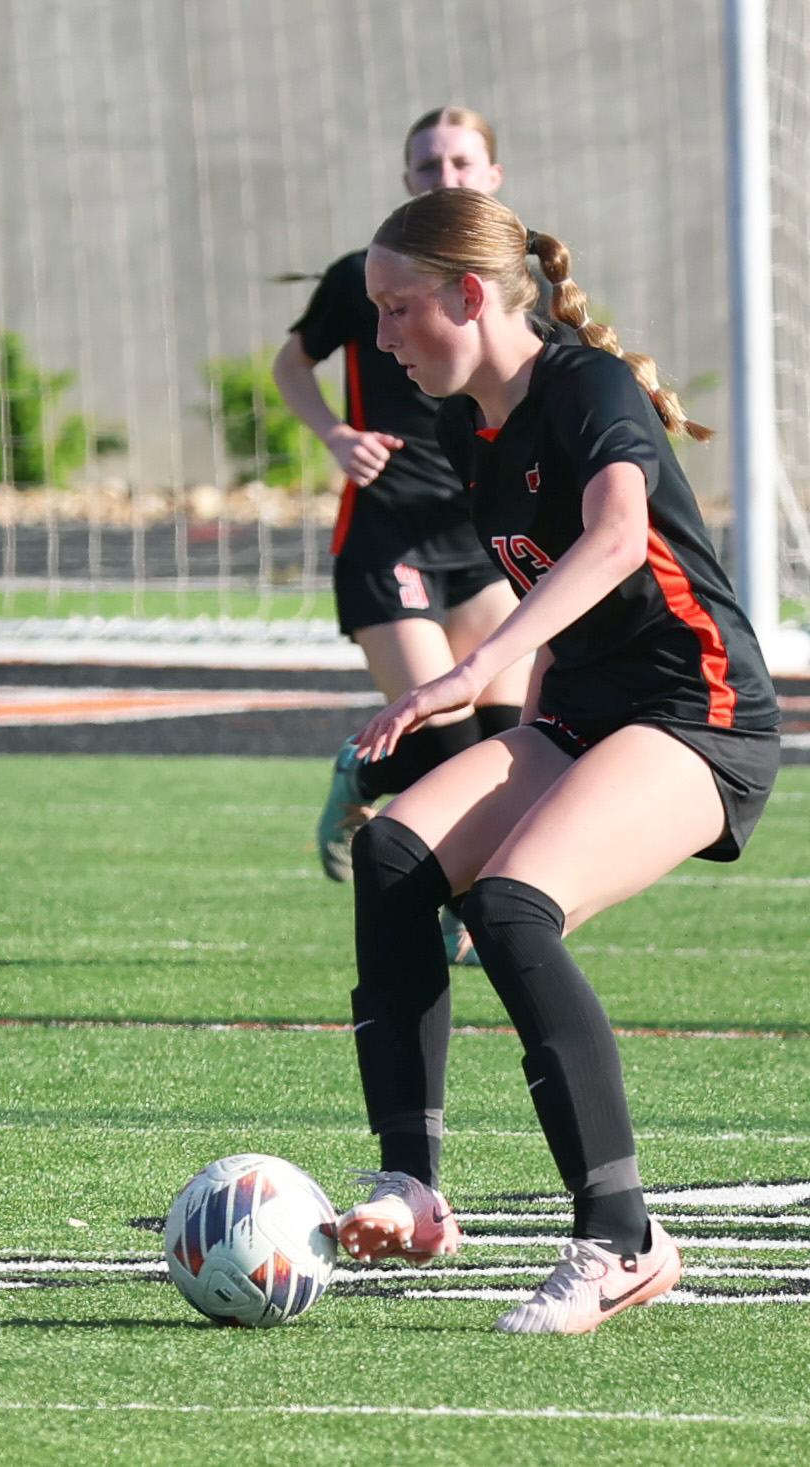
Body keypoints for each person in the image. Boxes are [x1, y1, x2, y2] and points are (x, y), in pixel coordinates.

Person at [330, 188, 779, 1334]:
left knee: (512, 908)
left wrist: (470, 674)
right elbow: (548, 591)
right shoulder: (466, 429)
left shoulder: (586, 385)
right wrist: (521, 717)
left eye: (396, 307)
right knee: (394, 854)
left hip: (700, 713)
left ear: (470, 297)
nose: (380, 335)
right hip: (583, 714)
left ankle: (624, 1240)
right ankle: (411, 1190)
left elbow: (618, 539)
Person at [275, 107, 554, 965]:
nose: (446, 177)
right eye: (428, 165)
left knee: (515, 749)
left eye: (462, 162)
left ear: (493, 176)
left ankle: (476, 902)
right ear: (407, 180)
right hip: (388, 536)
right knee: (447, 743)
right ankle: (367, 774)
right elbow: (291, 363)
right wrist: (334, 434)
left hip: (479, 541)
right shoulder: (368, 276)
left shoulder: (516, 289)